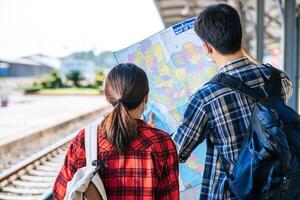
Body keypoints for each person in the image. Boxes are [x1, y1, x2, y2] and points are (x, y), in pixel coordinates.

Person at [171, 4, 292, 200]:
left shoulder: (205, 97)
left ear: (207, 47)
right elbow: (286, 84)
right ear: (240, 38)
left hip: (230, 194)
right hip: (276, 190)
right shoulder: (277, 79)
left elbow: (175, 152)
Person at [53, 63, 179, 200]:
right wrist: (153, 134)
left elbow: (61, 192)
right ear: (146, 97)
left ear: (107, 96)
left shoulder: (85, 139)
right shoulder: (161, 142)